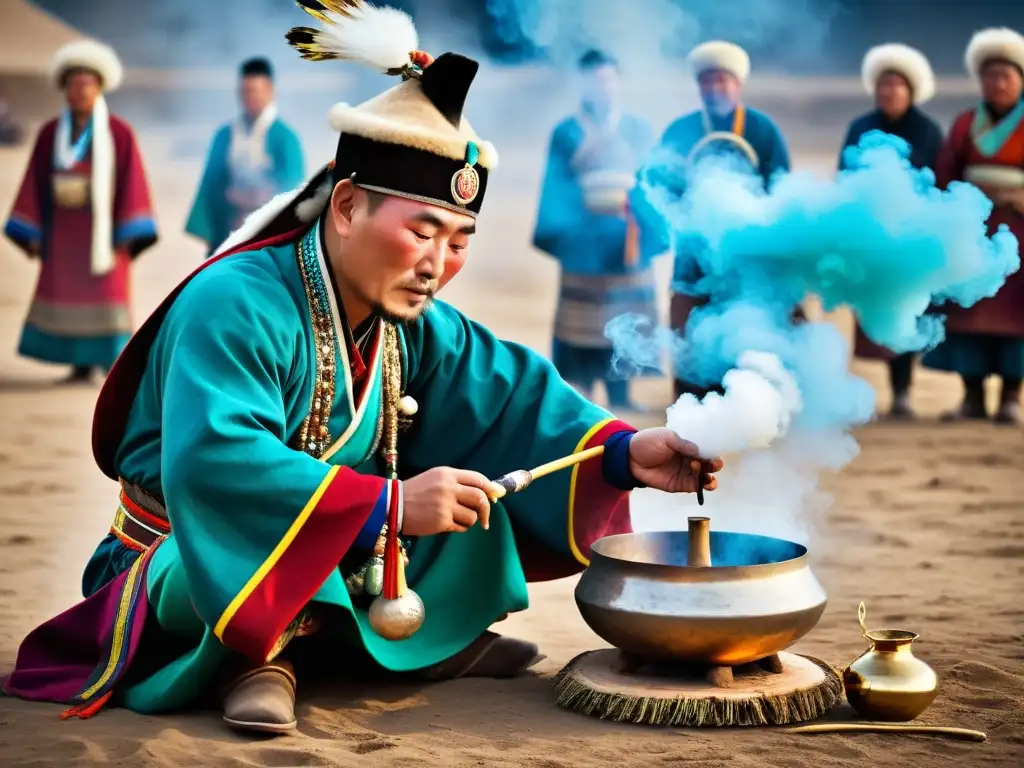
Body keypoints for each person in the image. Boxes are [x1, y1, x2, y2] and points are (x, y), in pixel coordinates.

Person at [3, 2, 723, 737]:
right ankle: (262, 658)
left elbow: (511, 396)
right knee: (246, 551)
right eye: (421, 231)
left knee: (475, 498)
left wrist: (626, 454)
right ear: (345, 207)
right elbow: (218, 461)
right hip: (188, 549)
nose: (438, 266)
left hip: (342, 534)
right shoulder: (233, 302)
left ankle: (374, 641)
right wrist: (389, 507)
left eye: (459, 241)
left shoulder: (402, 317)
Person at [635, 40, 792, 400]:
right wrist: (677, 215)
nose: (715, 88)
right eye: (707, 81)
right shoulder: (681, 130)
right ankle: (690, 402)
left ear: (738, 84)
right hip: (694, 254)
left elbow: (782, 186)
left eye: (723, 80)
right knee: (689, 331)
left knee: (749, 330)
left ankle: (750, 403)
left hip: (748, 253)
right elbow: (655, 184)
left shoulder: (762, 129)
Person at [3, 40, 157, 384]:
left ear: (100, 88)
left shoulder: (119, 133)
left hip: (104, 236)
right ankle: (78, 364)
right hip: (62, 232)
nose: (80, 91)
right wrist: (32, 234)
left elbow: (132, 183)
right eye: (74, 84)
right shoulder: (48, 133)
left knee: (107, 296)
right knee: (67, 293)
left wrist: (127, 234)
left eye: (87, 84)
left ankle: (110, 366)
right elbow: (34, 183)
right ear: (64, 89)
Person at [532, 49, 657, 410]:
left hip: (628, 237)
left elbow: (653, 181)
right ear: (583, 83)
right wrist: (571, 232)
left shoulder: (636, 128)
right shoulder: (568, 131)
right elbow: (555, 187)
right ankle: (582, 394)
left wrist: (644, 225)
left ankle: (623, 393)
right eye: (595, 79)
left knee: (628, 315)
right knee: (581, 319)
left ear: (618, 82)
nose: (603, 87)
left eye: (609, 78)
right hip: (583, 239)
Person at [923, 27, 1024, 426]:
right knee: (968, 313)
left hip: (1019, 234)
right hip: (973, 233)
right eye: (990, 76)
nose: (998, 83)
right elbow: (945, 174)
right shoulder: (965, 124)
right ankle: (972, 396)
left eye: (1006, 75)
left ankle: (1012, 398)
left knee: (1017, 316)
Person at [840, 44, 944, 420]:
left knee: (911, 309)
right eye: (883, 85)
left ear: (911, 90)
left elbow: (941, 182)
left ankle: (904, 391)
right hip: (870, 238)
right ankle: (889, 389)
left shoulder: (928, 130)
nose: (889, 92)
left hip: (912, 239)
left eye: (897, 85)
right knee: (879, 313)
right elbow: (844, 177)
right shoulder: (860, 127)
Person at [185, 57, 305, 257]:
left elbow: (294, 185)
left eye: (256, 91)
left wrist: (262, 195)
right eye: (246, 92)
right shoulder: (225, 135)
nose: (251, 98)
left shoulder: (285, 138)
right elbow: (211, 183)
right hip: (228, 229)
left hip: (268, 233)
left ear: (270, 91)